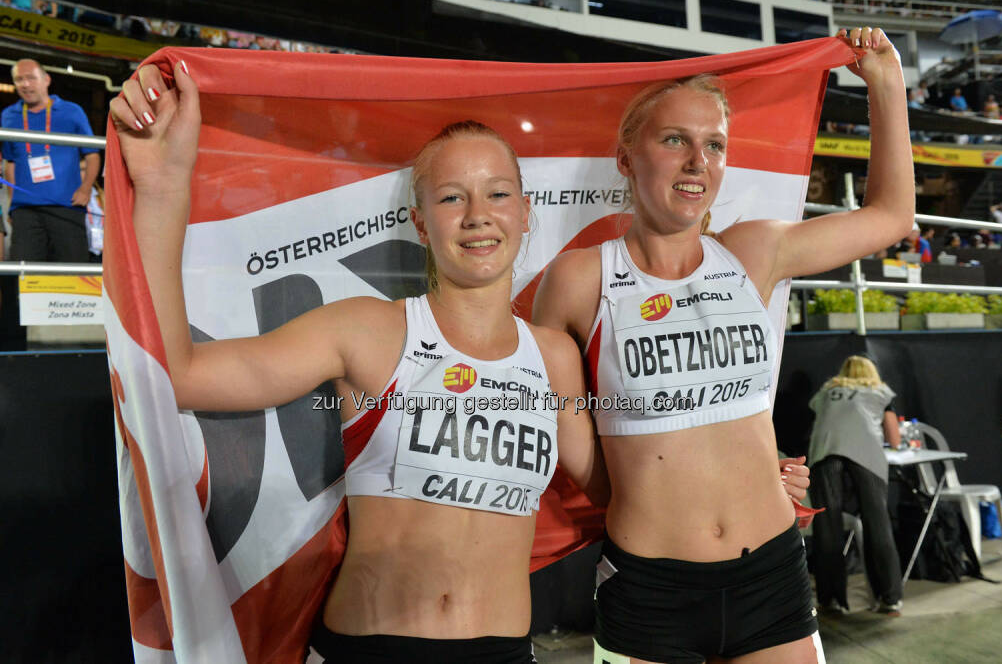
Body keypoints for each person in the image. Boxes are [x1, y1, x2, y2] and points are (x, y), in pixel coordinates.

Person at [110, 62, 612, 664]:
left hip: (503, 651)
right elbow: (182, 377)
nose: (478, 213)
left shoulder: (553, 356)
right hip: (370, 650)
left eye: (498, 193)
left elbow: (617, 489)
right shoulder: (366, 330)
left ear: (525, 212)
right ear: (421, 224)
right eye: (452, 197)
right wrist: (164, 186)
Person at [534, 26, 913, 663]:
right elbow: (566, 423)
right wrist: (650, 492)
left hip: (770, 577)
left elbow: (891, 217)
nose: (697, 162)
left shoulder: (754, 251)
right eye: (675, 139)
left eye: (714, 145)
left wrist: (886, 82)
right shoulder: (577, 280)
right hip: (648, 587)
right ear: (627, 157)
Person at [807, 356, 904, 616]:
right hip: (866, 455)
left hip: (824, 455)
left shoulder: (826, 392)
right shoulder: (879, 391)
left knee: (827, 528)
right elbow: (894, 439)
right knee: (878, 524)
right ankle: (890, 598)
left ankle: (830, 600)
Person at [2, 59, 101, 262]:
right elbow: (10, 162)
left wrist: (85, 189)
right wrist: (13, 202)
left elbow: (92, 154)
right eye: (19, 79)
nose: (25, 84)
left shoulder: (72, 111)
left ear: (46, 79)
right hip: (25, 210)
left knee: (72, 273)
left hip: (67, 207)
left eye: (31, 78)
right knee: (24, 276)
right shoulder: (8, 115)